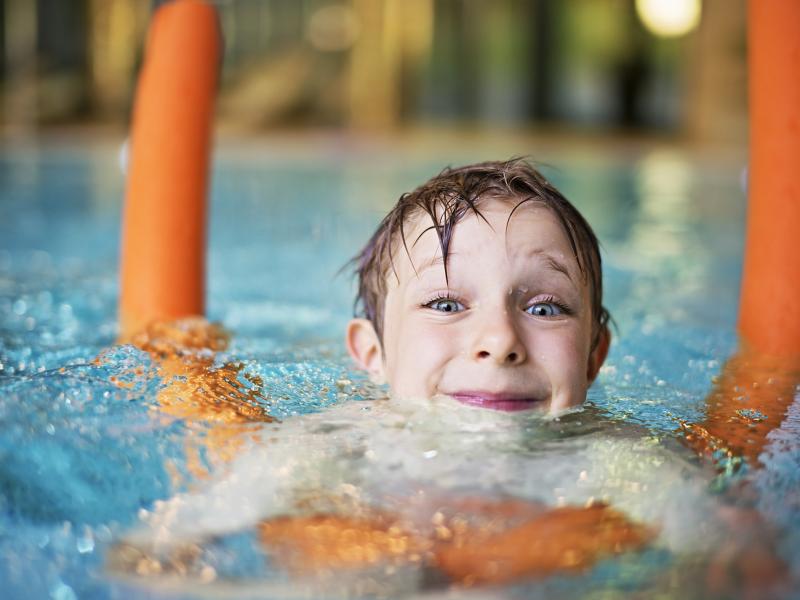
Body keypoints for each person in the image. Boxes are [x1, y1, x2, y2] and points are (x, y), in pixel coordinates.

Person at [111, 159, 783, 596]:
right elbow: (147, 559)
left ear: (595, 355)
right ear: (371, 353)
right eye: (446, 304)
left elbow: (734, 565)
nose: (498, 342)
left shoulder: (622, 463)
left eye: (544, 307)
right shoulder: (325, 450)